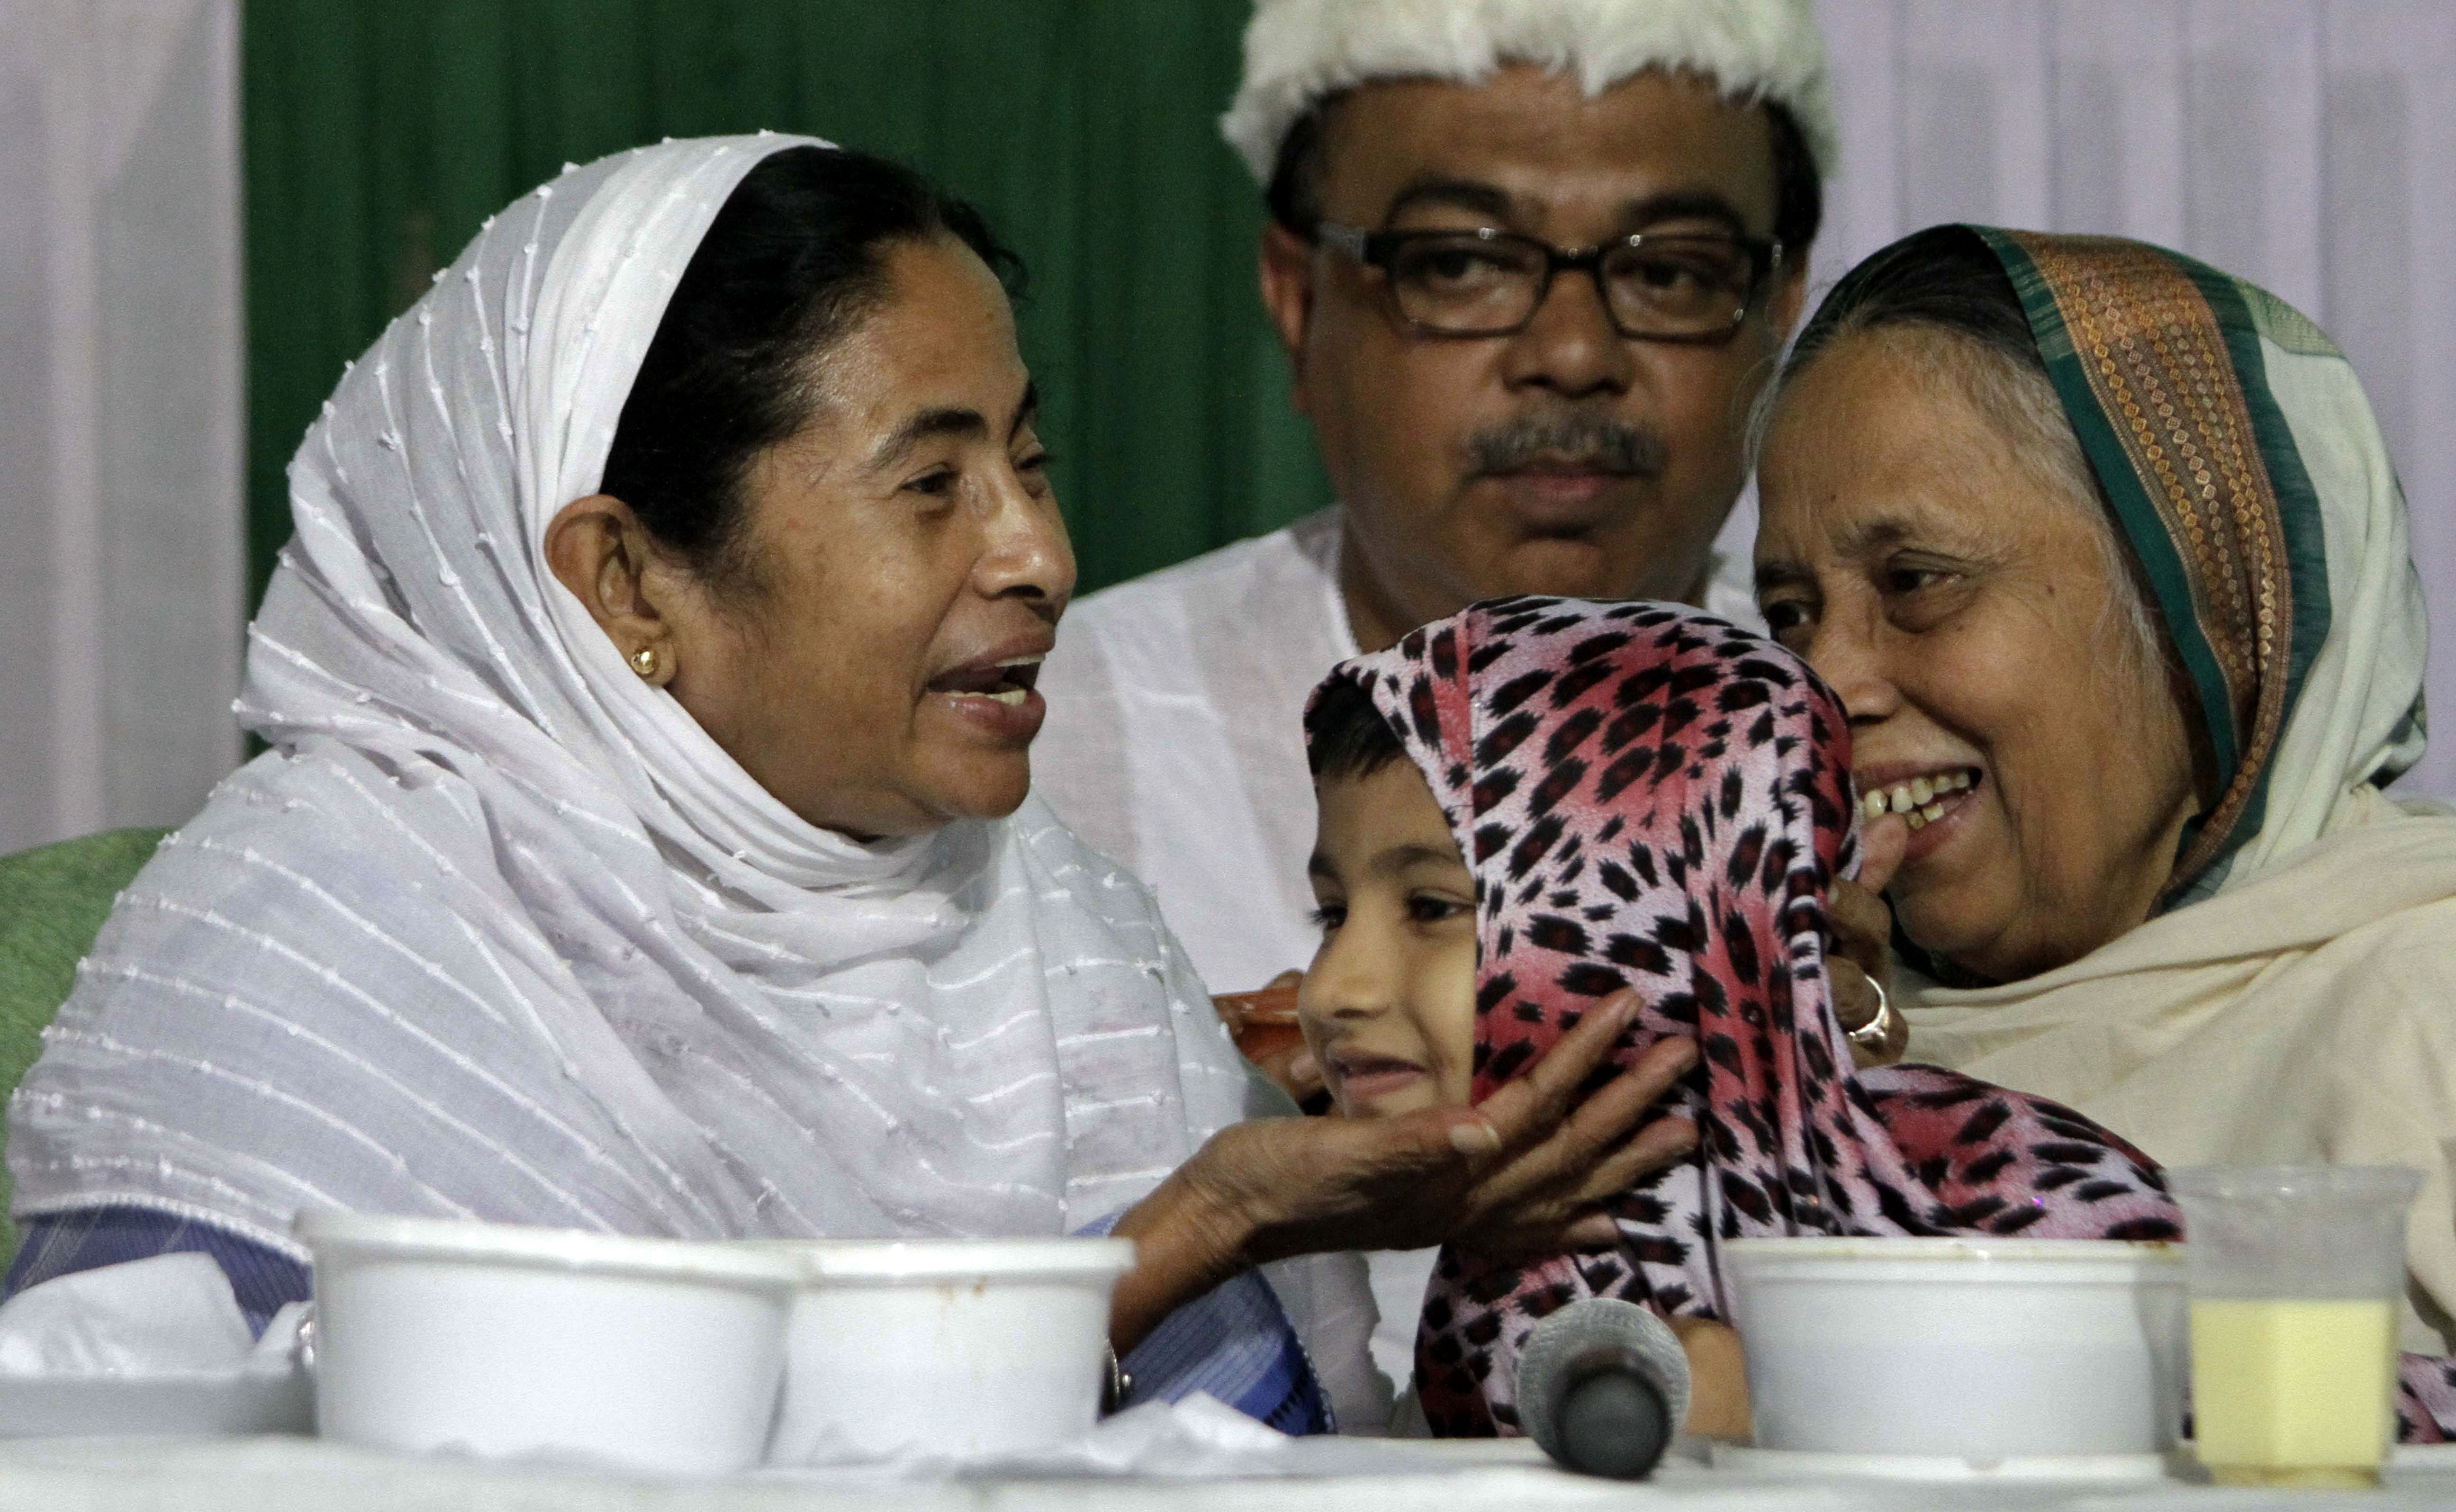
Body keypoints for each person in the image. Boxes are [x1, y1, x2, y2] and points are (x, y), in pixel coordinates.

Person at [2, 137, 1702, 1434]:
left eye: (1027, 460)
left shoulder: (1054, 931)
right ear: (627, 581)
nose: (1040, 553)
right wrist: (1189, 1230)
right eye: (931, 482)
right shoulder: (320, 943)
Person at [1031, 0, 1840, 1392]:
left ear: (1781, 313)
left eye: (1676, 270)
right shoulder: (1044, 748)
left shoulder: (1870, 736)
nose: (1574, 353)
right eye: (1462, 264)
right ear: (1296, 298)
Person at [1751, 223, 2456, 1436]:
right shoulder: (1791, 1025)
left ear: (2206, 609)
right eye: (1791, 613)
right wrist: (1813, 1063)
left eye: (1918, 580)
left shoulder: (2418, 1013)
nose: (1825, 684)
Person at [1294, 595, 2180, 1437]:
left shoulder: (2009, 1216)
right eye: (1332, 917)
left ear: (1646, 918)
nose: (1337, 988)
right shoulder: (1498, 1278)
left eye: (1434, 908)